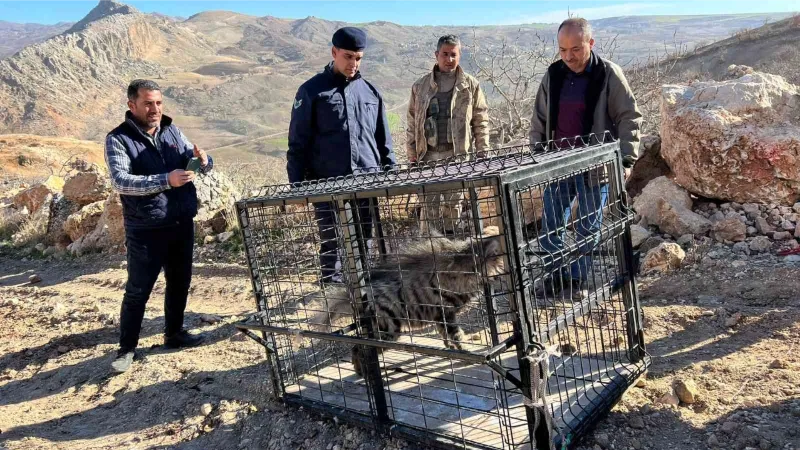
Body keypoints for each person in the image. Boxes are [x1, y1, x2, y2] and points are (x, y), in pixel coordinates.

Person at [529, 18, 642, 299]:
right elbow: (539, 118)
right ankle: (555, 278)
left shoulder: (608, 74)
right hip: (558, 163)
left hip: (595, 165)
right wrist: (538, 156)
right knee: (552, 225)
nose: (569, 56)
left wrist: (626, 160)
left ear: (591, 43)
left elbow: (629, 117)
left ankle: (576, 280)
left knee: (587, 227)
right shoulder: (553, 74)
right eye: (563, 49)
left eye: (576, 49)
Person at [105, 79, 212, 373]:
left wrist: (203, 161)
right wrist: (166, 179)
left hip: (180, 221)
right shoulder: (117, 139)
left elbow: (194, 160)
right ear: (132, 105)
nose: (155, 109)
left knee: (180, 282)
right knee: (139, 289)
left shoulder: (172, 130)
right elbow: (121, 181)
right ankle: (127, 349)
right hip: (146, 228)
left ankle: (174, 334)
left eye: (159, 103)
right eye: (148, 103)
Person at [286, 27, 396, 284]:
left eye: (358, 58)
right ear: (334, 52)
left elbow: (384, 140)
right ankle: (331, 299)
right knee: (332, 242)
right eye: (348, 56)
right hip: (327, 182)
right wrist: (297, 186)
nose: (353, 63)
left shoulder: (370, 92)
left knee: (365, 241)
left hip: (367, 181)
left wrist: (390, 172)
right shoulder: (312, 91)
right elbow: (297, 141)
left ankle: (363, 297)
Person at [406, 34, 490, 236]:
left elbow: (481, 120)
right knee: (429, 209)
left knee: (454, 208)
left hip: (457, 156)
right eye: (445, 54)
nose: (449, 59)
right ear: (436, 55)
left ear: (459, 55)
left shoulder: (470, 85)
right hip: (428, 157)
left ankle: (451, 252)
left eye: (453, 54)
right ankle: (430, 255)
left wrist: (483, 152)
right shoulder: (420, 86)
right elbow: (411, 121)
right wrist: (411, 152)